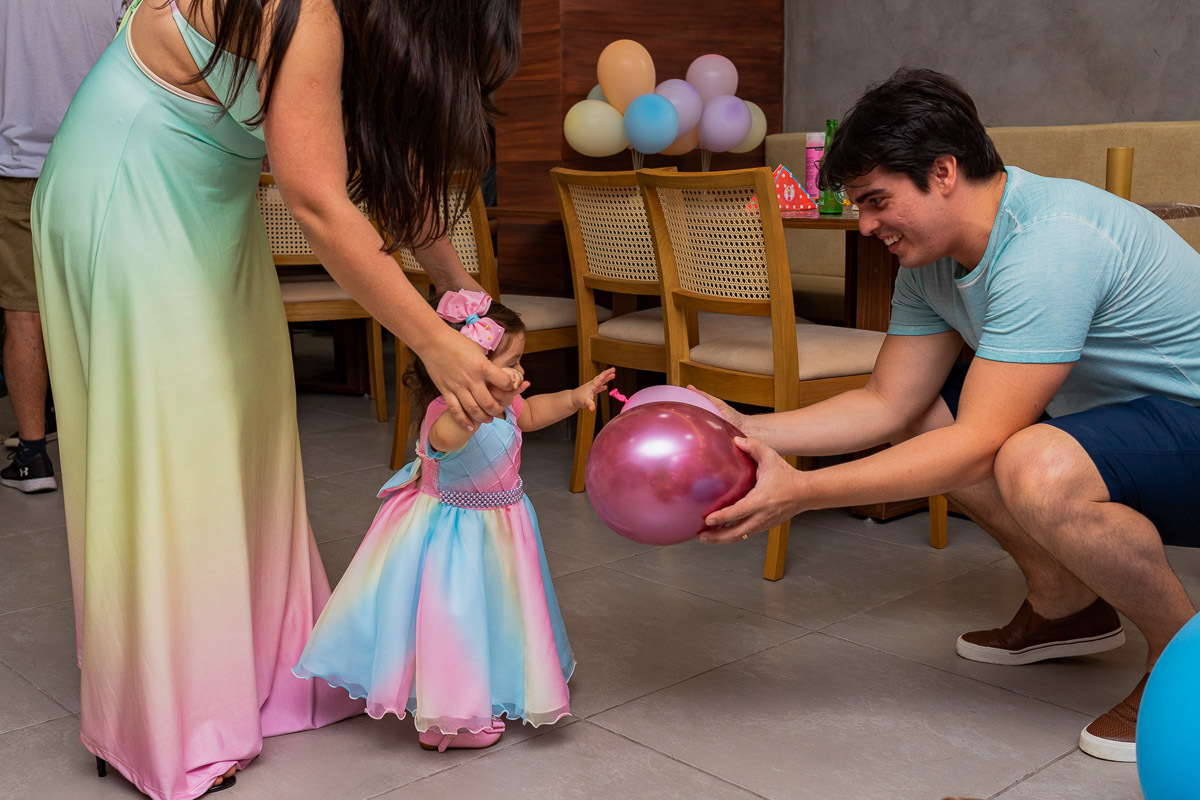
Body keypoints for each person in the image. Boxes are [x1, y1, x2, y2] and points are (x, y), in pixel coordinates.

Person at [30, 0, 522, 796]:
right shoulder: (309, 13)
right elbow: (321, 203)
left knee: (248, 433)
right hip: (128, 194)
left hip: (203, 203)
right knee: (173, 454)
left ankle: (270, 672)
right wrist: (433, 344)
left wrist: (465, 292)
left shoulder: (340, 28)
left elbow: (387, 169)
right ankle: (162, 720)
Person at [699, 68, 1200, 764]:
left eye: (877, 201)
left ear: (943, 171)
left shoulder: (1049, 240)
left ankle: (1189, 668)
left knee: (1031, 460)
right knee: (928, 415)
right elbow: (888, 403)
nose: (866, 224)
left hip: (1191, 421)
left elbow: (980, 445)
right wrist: (742, 426)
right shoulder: (929, 263)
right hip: (1135, 427)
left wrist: (805, 492)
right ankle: (1066, 606)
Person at [295, 290, 612, 750]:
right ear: (468, 372)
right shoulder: (447, 413)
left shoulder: (504, 405)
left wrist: (575, 396)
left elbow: (534, 412)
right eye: (512, 362)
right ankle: (448, 721)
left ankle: (493, 684)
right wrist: (474, 410)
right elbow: (447, 439)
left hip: (498, 529)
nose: (521, 373)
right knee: (453, 620)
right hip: (452, 537)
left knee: (496, 613)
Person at [0, 0, 120, 492]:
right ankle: (107, 450)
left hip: (18, 164)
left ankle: (33, 456)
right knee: (102, 309)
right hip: (96, 162)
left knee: (24, 313)